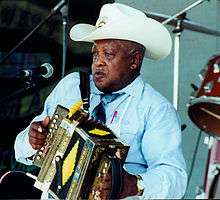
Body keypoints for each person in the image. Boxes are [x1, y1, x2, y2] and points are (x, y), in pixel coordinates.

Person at [14, 2, 187, 199]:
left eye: (108, 54)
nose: (98, 62)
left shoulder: (156, 108)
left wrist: (133, 184)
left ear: (134, 60)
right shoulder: (71, 86)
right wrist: (32, 140)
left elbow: (176, 179)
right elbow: (20, 150)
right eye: (95, 53)